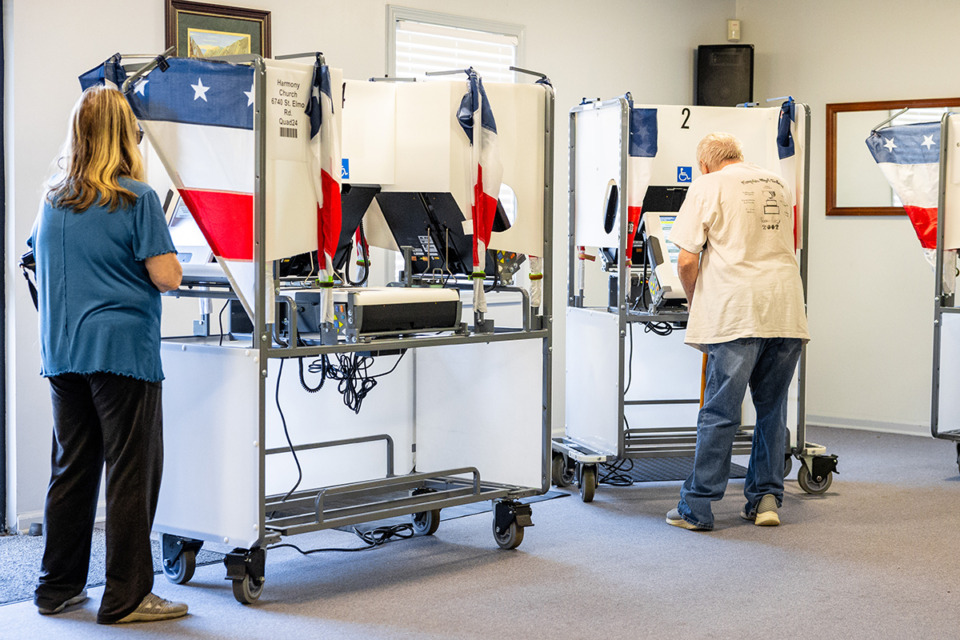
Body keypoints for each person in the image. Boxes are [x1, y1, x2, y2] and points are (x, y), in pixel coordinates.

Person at [28, 85, 187, 623]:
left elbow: (28, 259)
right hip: (120, 351)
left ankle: (57, 588)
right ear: (125, 134)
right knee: (130, 472)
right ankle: (126, 597)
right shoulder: (136, 198)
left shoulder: (53, 199)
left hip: (63, 351)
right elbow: (166, 276)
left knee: (72, 470)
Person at [664, 132, 810, 531]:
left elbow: (686, 262)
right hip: (786, 308)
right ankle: (765, 500)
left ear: (704, 164)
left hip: (738, 311)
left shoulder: (707, 184)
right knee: (772, 409)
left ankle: (697, 507)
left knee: (720, 411)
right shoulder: (776, 183)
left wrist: (696, 304)